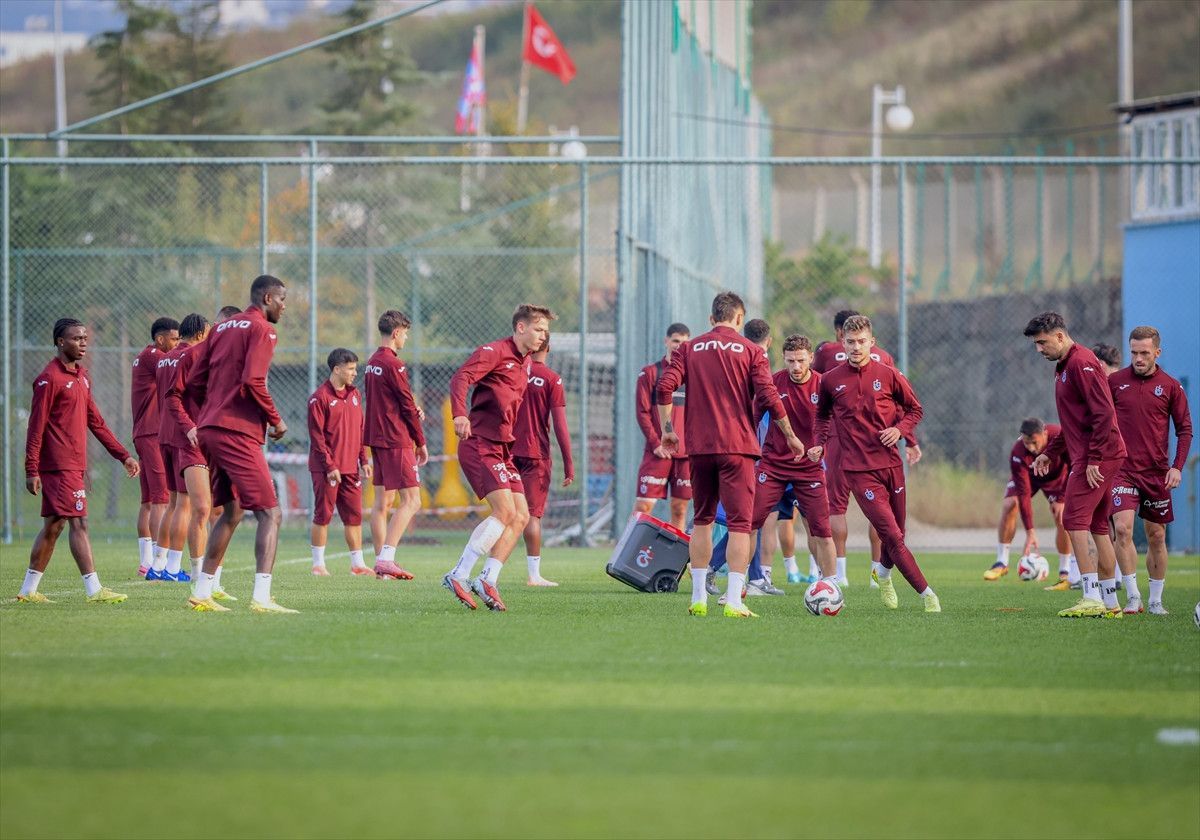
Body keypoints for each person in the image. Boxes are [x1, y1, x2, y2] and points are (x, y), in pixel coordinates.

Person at [656, 291, 802, 619]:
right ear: (739, 319)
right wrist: (791, 435)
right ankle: (734, 600)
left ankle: (698, 598)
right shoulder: (751, 351)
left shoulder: (690, 348)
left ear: (711, 319)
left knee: (703, 520)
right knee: (739, 524)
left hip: (700, 448)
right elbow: (769, 395)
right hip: (738, 448)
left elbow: (664, 387)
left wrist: (667, 429)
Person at [809, 315, 938, 612]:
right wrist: (818, 442)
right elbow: (822, 416)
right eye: (850, 342)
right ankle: (928, 595)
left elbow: (915, 409)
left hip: (891, 465)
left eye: (861, 342)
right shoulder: (831, 380)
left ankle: (882, 573)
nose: (856, 347)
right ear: (842, 343)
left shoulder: (889, 374)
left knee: (898, 534)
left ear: (872, 343)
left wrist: (900, 431)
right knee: (892, 536)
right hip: (858, 469)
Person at [187, 275, 294, 614]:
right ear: (267, 298)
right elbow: (253, 380)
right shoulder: (263, 329)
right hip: (236, 431)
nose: (284, 306)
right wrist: (276, 419)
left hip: (210, 428)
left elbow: (194, 380)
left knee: (232, 511)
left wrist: (212, 410)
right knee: (270, 513)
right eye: (281, 299)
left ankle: (201, 592)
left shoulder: (221, 328)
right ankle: (262, 598)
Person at [17, 318, 139, 604]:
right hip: (59, 466)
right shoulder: (49, 379)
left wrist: (123, 455)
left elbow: (96, 422)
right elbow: (35, 427)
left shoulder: (82, 377)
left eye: (85, 338)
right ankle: (94, 590)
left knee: (54, 526)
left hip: (73, 465)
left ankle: (28, 591)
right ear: (61, 342)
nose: (83, 343)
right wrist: (31, 468)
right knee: (79, 522)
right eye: (76, 338)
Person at [443, 304, 555, 612]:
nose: (543, 336)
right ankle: (459, 573)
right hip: (480, 443)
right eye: (538, 329)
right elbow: (461, 378)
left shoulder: (526, 362)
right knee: (505, 511)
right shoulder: (493, 351)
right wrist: (459, 414)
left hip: (503, 449)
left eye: (546, 331)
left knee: (521, 516)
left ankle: (487, 579)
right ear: (521, 327)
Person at [1024, 312, 1127, 618]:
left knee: (1072, 519)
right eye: (1035, 344)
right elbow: (1074, 423)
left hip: (1098, 456)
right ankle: (1111, 602)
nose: (1039, 349)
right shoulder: (1065, 365)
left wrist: (1095, 458)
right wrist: (1050, 452)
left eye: (1042, 342)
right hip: (1097, 454)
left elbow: (1104, 413)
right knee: (1097, 526)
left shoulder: (1082, 363)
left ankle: (1091, 596)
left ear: (1060, 336)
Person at [813, 309, 900, 588]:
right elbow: (900, 404)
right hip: (876, 440)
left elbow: (814, 389)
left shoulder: (827, 352)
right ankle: (877, 572)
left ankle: (840, 574)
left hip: (839, 438)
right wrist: (908, 438)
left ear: (839, 333)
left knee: (836, 505)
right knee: (879, 506)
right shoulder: (884, 358)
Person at [1109, 326, 1193, 616]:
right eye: (1134, 352)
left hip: (1156, 473)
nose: (1138, 358)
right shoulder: (1115, 382)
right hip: (1122, 470)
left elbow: (1185, 430)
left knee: (1156, 535)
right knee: (1122, 529)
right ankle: (1133, 597)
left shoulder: (1171, 387)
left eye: (1144, 353)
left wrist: (1177, 467)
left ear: (1157, 352)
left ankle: (1156, 600)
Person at [163, 306, 240, 599]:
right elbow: (172, 397)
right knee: (200, 508)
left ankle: (214, 581)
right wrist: (189, 427)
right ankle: (197, 579)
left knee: (221, 511)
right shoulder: (191, 355)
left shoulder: (224, 359)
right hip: (191, 443)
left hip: (217, 443)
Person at [752, 334, 838, 588]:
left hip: (810, 469)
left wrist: (821, 447)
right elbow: (752, 420)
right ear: (784, 358)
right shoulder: (772, 383)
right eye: (791, 361)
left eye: (801, 360)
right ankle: (748, 583)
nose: (796, 366)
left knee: (821, 530)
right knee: (750, 524)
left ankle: (830, 586)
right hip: (773, 466)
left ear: (811, 358)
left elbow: (838, 424)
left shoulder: (824, 385)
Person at [364, 310, 428, 580]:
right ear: (396, 333)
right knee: (412, 500)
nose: (406, 338)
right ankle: (386, 559)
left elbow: (391, 401)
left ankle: (382, 566)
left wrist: (410, 407)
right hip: (395, 438)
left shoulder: (372, 362)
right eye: (405, 333)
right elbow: (405, 404)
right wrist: (420, 441)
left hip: (377, 438)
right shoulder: (394, 364)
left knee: (383, 503)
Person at [512, 336, 574, 586]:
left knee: (503, 513)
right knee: (532, 515)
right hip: (535, 453)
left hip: (506, 450)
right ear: (548, 348)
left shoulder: (512, 372)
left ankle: (485, 568)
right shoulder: (551, 378)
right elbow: (560, 425)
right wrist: (569, 464)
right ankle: (534, 575)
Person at [308, 348, 373, 577]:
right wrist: (330, 466)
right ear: (337, 369)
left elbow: (359, 430)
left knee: (354, 516)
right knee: (323, 515)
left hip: (351, 469)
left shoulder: (355, 395)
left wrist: (363, 460)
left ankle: (358, 565)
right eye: (351, 369)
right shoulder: (319, 398)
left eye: (355, 368)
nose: (355, 373)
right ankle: (318, 565)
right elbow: (317, 438)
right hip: (326, 469)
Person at [983, 417, 1072, 584]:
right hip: (1030, 478)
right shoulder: (1018, 452)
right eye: (1026, 442)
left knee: (1061, 515)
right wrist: (1030, 531)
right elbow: (1023, 493)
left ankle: (1065, 571)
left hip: (1058, 478)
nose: (1030, 447)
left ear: (1045, 434)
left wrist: (1061, 498)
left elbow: (1074, 466)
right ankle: (1001, 562)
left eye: (1034, 442)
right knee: (1010, 503)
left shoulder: (1060, 436)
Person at [132, 317, 179, 578]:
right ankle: (158, 565)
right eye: (174, 339)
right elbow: (179, 366)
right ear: (160, 339)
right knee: (162, 499)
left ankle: (146, 562)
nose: (178, 344)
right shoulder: (154, 356)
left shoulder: (145, 356)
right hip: (151, 433)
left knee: (149, 501)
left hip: (145, 433)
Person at [633, 323, 691, 530]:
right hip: (658, 452)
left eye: (684, 343)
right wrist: (655, 443)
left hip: (685, 455)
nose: (678, 346)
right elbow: (642, 412)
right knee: (643, 507)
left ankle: (676, 551)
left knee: (680, 509)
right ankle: (631, 549)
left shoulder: (693, 376)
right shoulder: (650, 373)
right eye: (675, 341)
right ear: (666, 341)